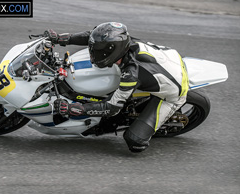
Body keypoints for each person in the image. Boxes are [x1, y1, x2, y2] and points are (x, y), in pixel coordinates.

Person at [44, 22, 189, 152]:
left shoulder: (131, 74)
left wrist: (74, 109)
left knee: (135, 141)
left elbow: (112, 108)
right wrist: (62, 38)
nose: (93, 53)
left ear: (111, 51)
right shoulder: (121, 41)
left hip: (173, 93)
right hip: (170, 58)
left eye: (99, 51)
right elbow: (92, 37)